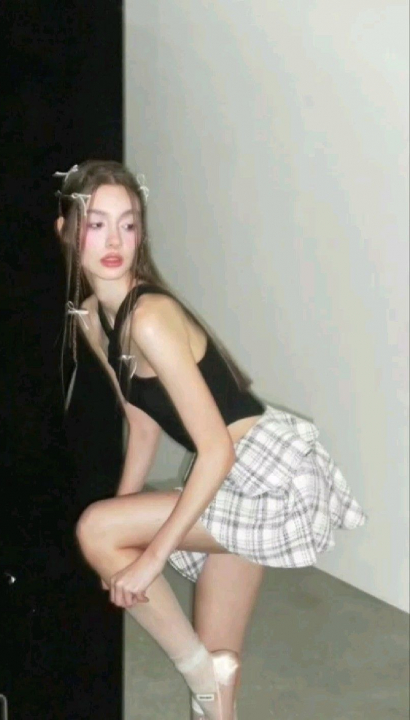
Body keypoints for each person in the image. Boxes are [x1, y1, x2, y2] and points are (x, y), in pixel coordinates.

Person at [53, 160, 367, 720]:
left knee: (95, 529)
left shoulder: (150, 317)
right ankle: (209, 684)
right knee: (217, 682)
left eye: (128, 224)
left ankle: (198, 673)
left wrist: (146, 554)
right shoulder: (94, 319)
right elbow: (143, 424)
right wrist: (125, 525)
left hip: (267, 477)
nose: (114, 241)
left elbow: (218, 449)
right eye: (96, 224)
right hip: (228, 477)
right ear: (66, 230)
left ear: (142, 231)